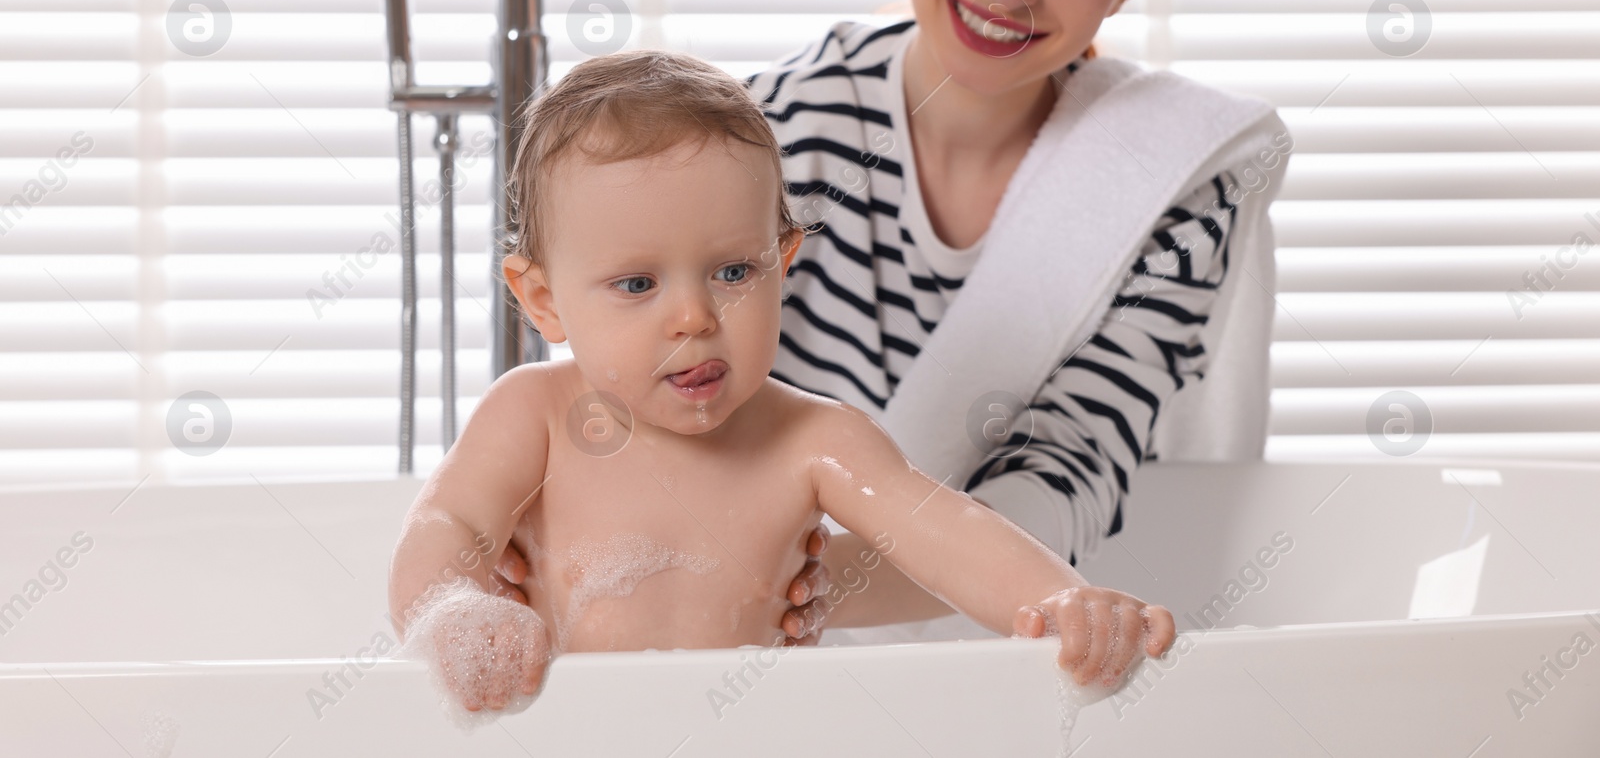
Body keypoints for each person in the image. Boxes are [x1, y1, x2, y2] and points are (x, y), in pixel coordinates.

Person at [490, 0, 1288, 646]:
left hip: (986, 636)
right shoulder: (775, 138)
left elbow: (1072, 462)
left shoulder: (1170, 179)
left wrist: (797, 582)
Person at [387, 49, 1178, 714]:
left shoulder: (814, 439)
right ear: (544, 300)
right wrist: (458, 610)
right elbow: (447, 526)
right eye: (637, 285)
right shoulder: (534, 417)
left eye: (734, 269)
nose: (694, 316)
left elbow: (946, 531)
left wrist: (1066, 598)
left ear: (783, 262)